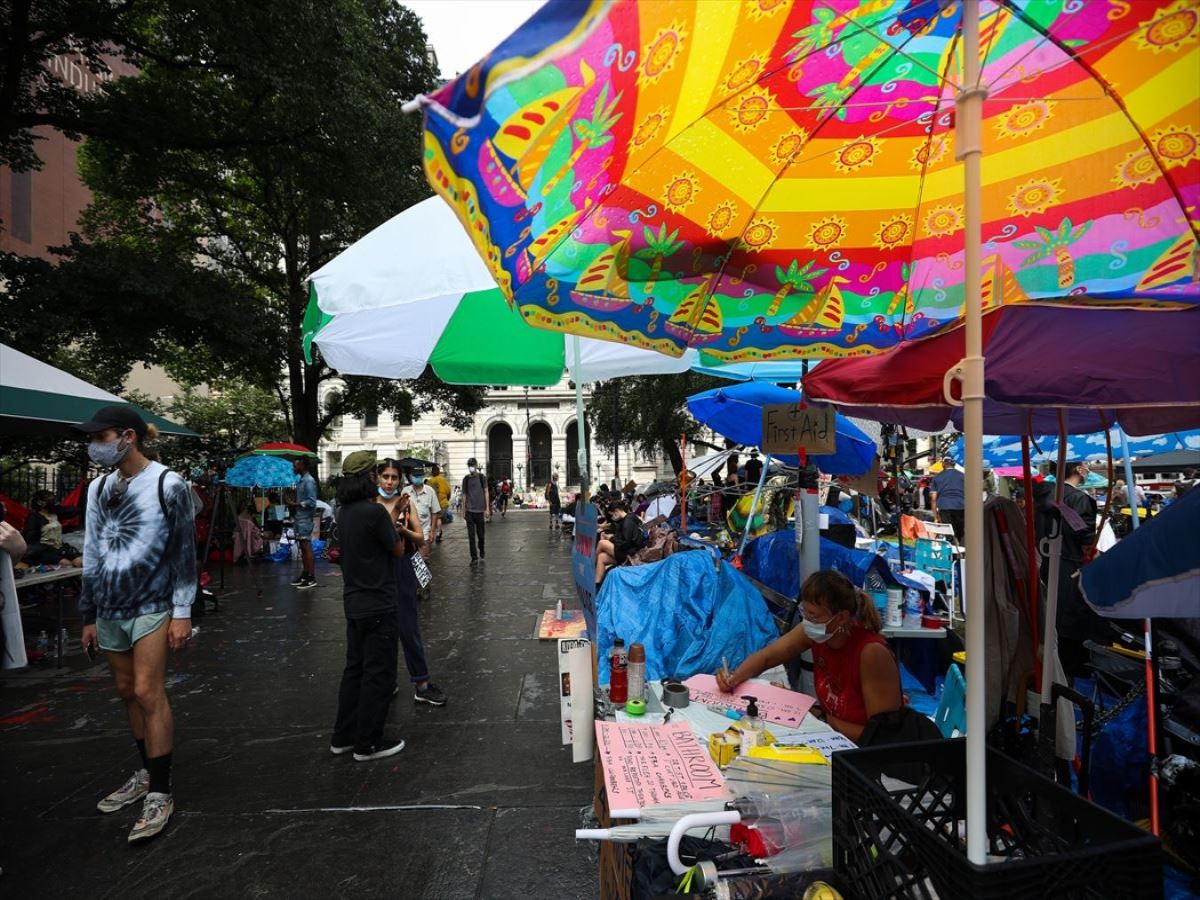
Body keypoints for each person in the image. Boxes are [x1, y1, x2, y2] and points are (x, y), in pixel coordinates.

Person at [74, 405, 196, 843]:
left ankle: (160, 791)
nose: (94, 446)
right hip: (109, 606)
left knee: (148, 690)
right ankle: (145, 772)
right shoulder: (98, 488)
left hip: (153, 603)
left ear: (128, 436)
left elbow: (185, 551)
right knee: (127, 692)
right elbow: (92, 548)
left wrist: (182, 611)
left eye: (100, 437)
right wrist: (88, 613)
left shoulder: (169, 483)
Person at [717, 570, 902, 741]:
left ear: (842, 617)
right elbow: (766, 657)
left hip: (861, 755)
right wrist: (734, 678)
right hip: (831, 736)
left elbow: (883, 738)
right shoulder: (814, 631)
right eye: (805, 613)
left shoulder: (871, 654)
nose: (808, 622)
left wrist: (815, 715)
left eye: (814, 616)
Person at [330, 451, 423, 761]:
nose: (379, 478)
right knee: (378, 674)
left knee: (354, 670)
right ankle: (368, 742)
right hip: (379, 604)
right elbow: (397, 549)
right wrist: (394, 518)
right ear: (367, 478)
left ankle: (343, 736)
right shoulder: (372, 513)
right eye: (375, 473)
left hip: (354, 601)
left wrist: (393, 511)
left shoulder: (344, 512)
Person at [375, 460, 447, 707]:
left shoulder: (407, 504)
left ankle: (422, 684)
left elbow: (421, 537)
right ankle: (386, 681)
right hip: (378, 572)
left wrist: (403, 530)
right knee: (381, 631)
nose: (389, 481)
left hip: (402, 566)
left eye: (394, 477)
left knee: (408, 627)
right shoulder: (372, 505)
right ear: (378, 478)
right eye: (385, 476)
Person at [1051, 459, 1103, 678]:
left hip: (1048, 567)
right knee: (1070, 632)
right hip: (1070, 569)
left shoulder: (1044, 495)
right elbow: (1086, 540)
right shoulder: (1079, 499)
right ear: (1077, 469)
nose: (1088, 469)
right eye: (1086, 465)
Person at [20, 490, 82, 567]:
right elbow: (31, 540)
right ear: (40, 502)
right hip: (43, 551)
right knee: (67, 564)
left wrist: (56, 509)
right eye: (49, 500)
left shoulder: (55, 513)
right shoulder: (34, 518)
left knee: (80, 562)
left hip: (60, 548)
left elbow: (74, 511)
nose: (53, 502)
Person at [594, 500, 644, 586]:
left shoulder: (627, 522)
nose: (612, 517)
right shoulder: (629, 518)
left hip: (628, 552)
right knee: (601, 557)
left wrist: (612, 538)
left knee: (602, 543)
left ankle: (591, 565)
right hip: (628, 550)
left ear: (617, 511)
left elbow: (625, 542)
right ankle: (597, 583)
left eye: (612, 514)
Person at [401, 464, 441, 567]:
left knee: (422, 561)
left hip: (424, 533)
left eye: (419, 475)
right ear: (410, 476)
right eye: (415, 475)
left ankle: (422, 581)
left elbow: (434, 512)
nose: (417, 478)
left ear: (423, 476)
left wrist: (432, 531)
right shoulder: (405, 491)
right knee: (410, 561)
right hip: (409, 533)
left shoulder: (430, 491)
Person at [290, 457, 319, 589]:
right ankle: (305, 574)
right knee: (303, 546)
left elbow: (312, 502)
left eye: (295, 465)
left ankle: (311, 577)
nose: (293, 468)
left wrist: (295, 503)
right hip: (300, 517)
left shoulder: (309, 481)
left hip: (305, 518)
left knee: (306, 546)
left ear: (301, 465)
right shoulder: (301, 481)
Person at [929, 456, 966, 543]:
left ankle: (953, 553)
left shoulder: (937, 477)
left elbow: (933, 498)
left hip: (944, 506)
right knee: (961, 532)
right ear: (954, 464)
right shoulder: (963, 476)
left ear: (943, 464)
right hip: (961, 505)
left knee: (949, 533)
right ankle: (961, 551)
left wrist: (935, 516)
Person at [461, 458, 491, 562]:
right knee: (471, 535)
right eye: (469, 465)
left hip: (480, 511)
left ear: (476, 465)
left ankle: (481, 549)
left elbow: (486, 492)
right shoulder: (466, 479)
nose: (471, 467)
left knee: (481, 535)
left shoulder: (482, 477)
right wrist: (463, 509)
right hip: (469, 511)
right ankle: (474, 557)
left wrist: (487, 508)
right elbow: (464, 495)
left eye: (472, 465)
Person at [427, 464, 452, 544]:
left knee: (434, 519)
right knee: (439, 518)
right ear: (438, 472)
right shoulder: (443, 480)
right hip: (442, 503)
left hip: (433, 504)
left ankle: (434, 533)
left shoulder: (429, 482)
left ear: (432, 473)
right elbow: (448, 491)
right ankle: (438, 533)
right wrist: (446, 499)